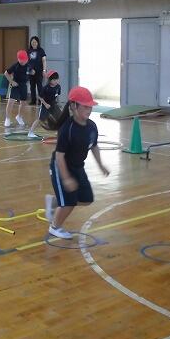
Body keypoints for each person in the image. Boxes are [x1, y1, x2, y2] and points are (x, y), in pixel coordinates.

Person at [44, 86, 110, 239]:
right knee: (69, 202)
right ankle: (55, 227)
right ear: (74, 106)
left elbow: (94, 146)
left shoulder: (92, 126)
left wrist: (101, 165)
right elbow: (60, 156)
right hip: (61, 167)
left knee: (87, 199)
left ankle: (55, 202)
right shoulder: (67, 129)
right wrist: (66, 178)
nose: (89, 110)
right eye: (85, 106)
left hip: (78, 166)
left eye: (90, 107)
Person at [27, 70, 61, 138]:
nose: (56, 81)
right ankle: (30, 132)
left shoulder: (58, 87)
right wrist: (45, 104)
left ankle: (59, 132)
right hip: (45, 106)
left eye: (57, 79)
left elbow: (57, 95)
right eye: (54, 80)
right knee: (40, 119)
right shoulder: (46, 88)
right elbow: (40, 97)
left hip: (53, 105)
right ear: (50, 80)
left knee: (60, 118)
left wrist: (58, 103)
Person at [3, 50, 29, 127]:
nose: (23, 61)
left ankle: (19, 117)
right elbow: (6, 73)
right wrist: (11, 82)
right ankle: (7, 118)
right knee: (11, 101)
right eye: (21, 60)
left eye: (25, 60)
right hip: (16, 85)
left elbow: (31, 71)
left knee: (23, 102)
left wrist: (33, 72)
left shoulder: (29, 65)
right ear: (18, 59)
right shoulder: (15, 66)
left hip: (23, 85)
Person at [27, 36, 47, 106]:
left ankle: (41, 101)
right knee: (32, 87)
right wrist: (30, 69)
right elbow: (26, 62)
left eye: (35, 42)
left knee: (39, 86)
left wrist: (44, 70)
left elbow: (44, 60)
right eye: (32, 42)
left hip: (39, 72)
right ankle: (33, 100)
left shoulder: (41, 50)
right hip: (31, 72)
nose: (34, 43)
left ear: (37, 43)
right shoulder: (28, 51)